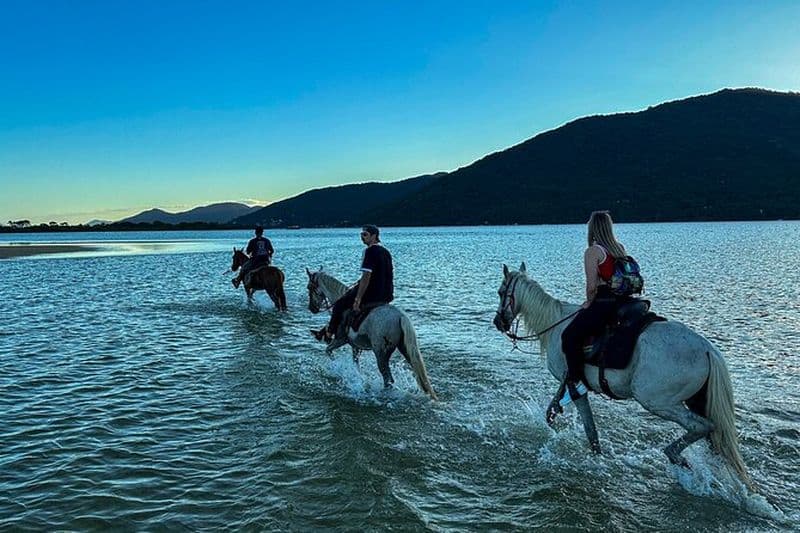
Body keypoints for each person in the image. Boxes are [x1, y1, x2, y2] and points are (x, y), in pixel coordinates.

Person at [558, 210, 628, 406]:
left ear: (592, 228)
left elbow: (591, 287)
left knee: (569, 336)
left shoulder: (593, 251)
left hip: (604, 303)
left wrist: (588, 302)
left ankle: (577, 382)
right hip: (622, 302)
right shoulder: (619, 248)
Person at [312, 224, 394, 342]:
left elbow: (366, 276)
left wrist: (358, 299)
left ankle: (329, 333)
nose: (362, 237)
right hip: (387, 294)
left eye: (365, 234)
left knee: (339, 305)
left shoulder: (370, 251)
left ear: (374, 236)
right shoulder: (386, 252)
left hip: (372, 293)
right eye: (361, 235)